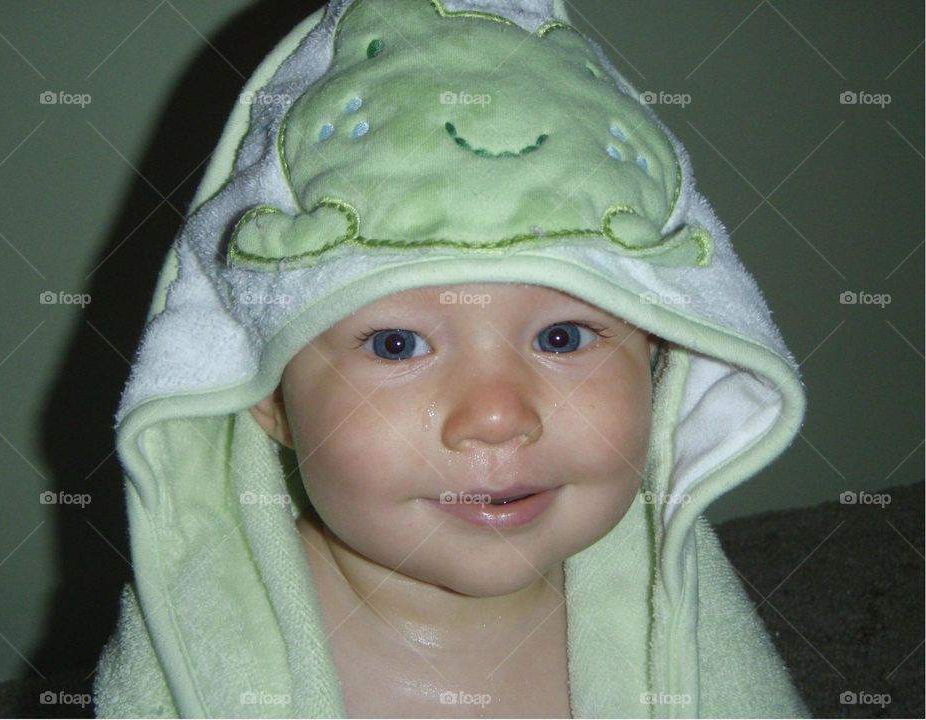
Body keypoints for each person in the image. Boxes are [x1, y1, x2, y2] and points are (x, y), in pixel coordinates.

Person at [93, 0, 811, 717]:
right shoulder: (207, 647)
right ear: (272, 395)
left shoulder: (674, 624)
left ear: (656, 358)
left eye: (561, 337)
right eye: (397, 344)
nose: (498, 416)